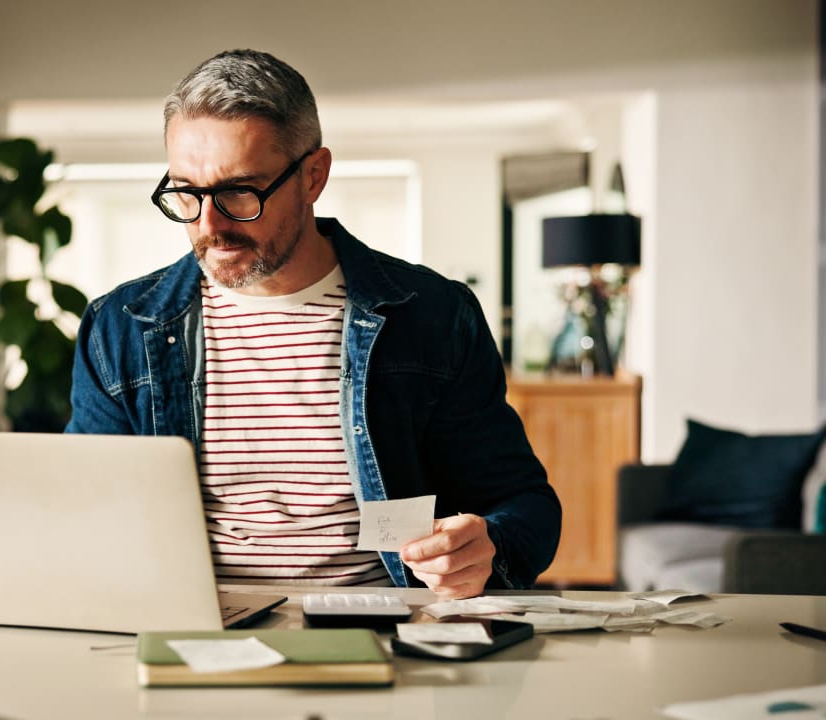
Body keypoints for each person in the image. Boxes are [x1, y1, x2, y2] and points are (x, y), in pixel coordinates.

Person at [65, 49, 560, 599]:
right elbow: (87, 516)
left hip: (385, 631)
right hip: (192, 632)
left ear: (313, 176)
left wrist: (487, 545)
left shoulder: (433, 317)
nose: (209, 224)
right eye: (186, 190)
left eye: (239, 192)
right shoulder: (121, 329)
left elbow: (527, 508)